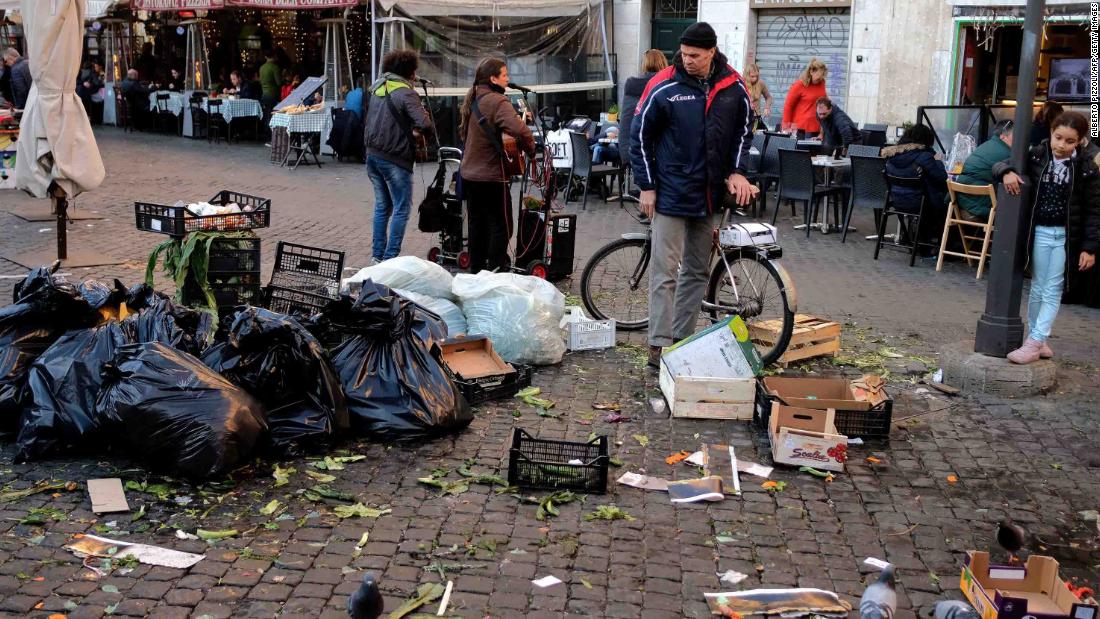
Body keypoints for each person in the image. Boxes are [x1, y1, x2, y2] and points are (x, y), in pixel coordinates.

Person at [630, 22, 756, 368]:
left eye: (695, 56)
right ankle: (658, 344)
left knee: (697, 272)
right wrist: (648, 186)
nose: (687, 60)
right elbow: (638, 136)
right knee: (664, 271)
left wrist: (737, 170)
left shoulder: (733, 86)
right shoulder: (664, 84)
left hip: (709, 196)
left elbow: (745, 132)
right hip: (670, 192)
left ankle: (681, 341)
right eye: (684, 54)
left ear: (712, 52)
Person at [996, 112, 1100, 363]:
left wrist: (1090, 247)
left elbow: (1094, 210)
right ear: (1051, 133)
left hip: (1066, 237)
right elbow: (1000, 163)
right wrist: (1006, 171)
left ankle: (1035, 340)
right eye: (1058, 137)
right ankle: (1037, 339)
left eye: (1070, 141)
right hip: (1040, 231)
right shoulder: (1037, 154)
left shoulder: (1087, 167)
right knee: (1038, 288)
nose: (1062, 145)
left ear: (1080, 141)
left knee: (1052, 289)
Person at [458, 57, 536, 273]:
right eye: (504, 75)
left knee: (476, 225)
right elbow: (521, 132)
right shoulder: (497, 101)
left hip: (470, 174)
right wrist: (532, 152)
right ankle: (495, 271)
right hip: (491, 175)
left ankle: (476, 271)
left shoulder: (474, 97)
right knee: (500, 226)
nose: (508, 79)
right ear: (493, 78)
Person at [363, 50, 435, 263]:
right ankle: (390, 258)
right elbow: (425, 125)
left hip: (373, 155)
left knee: (382, 206)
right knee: (402, 208)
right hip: (395, 158)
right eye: (414, 70)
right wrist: (420, 128)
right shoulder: (406, 93)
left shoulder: (378, 88)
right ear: (408, 71)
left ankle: (377, 256)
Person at [880, 124, 948, 251]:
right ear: (927, 140)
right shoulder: (924, 156)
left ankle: (915, 239)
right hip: (919, 203)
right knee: (947, 203)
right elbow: (941, 177)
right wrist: (938, 161)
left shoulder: (892, 155)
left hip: (896, 201)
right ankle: (942, 246)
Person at [954, 119, 1013, 221]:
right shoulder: (1006, 153)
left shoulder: (986, 145)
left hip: (960, 201)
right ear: (1003, 136)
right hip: (978, 207)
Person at [619, 49, 668, 164]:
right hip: (656, 152)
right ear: (663, 63)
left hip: (628, 148)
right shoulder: (665, 85)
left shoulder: (631, 84)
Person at [781, 58, 827, 138]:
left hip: (818, 128)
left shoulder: (822, 83)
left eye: (823, 75)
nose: (821, 78)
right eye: (819, 75)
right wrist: (786, 127)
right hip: (801, 129)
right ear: (811, 72)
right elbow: (788, 106)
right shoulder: (799, 85)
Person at [744, 62, 773, 131]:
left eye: (757, 76)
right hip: (744, 118)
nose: (755, 78)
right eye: (752, 76)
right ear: (747, 75)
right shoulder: (741, 84)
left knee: (762, 136)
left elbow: (768, 97)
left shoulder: (760, 83)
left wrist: (767, 107)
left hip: (756, 117)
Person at [258, 49, 282, 116]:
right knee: (272, 115)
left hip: (264, 94)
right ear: (275, 56)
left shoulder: (261, 68)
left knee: (266, 114)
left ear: (266, 57)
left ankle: (265, 126)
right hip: (273, 95)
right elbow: (279, 83)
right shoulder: (275, 67)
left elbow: (261, 81)